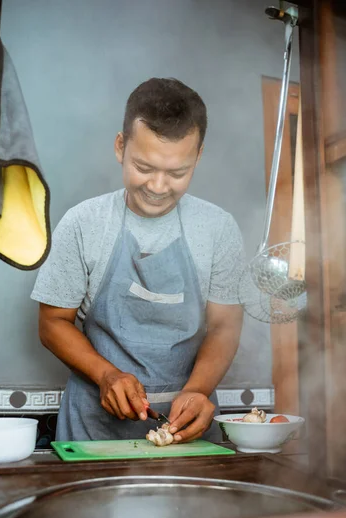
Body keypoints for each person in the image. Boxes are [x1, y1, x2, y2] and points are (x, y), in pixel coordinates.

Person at [31, 77, 244, 443]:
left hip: (188, 430)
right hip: (93, 430)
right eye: (144, 167)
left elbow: (225, 326)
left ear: (198, 157)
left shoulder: (218, 228)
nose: (158, 187)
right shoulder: (85, 223)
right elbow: (52, 322)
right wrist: (106, 376)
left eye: (178, 172)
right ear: (120, 146)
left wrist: (198, 389)